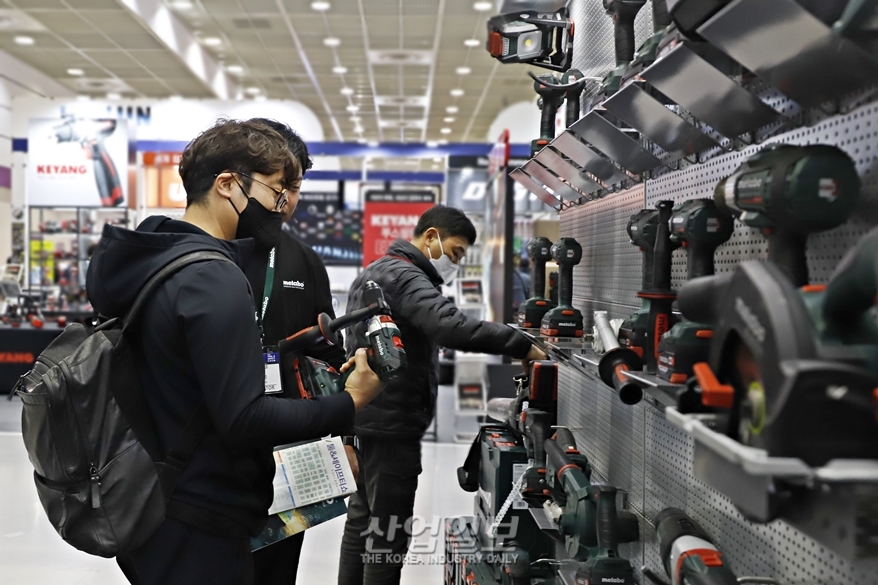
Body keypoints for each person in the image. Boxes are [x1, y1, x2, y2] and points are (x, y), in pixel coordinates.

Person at [86, 119, 384, 585]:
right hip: (201, 513)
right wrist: (350, 403)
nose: (282, 206)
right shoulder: (214, 276)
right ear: (227, 184)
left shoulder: (156, 255)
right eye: (276, 190)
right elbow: (243, 418)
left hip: (151, 493)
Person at [337, 205, 548, 585]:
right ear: (430, 236)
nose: (455, 261)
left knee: (364, 525)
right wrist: (520, 344)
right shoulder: (406, 275)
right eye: (455, 251)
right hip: (392, 424)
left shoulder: (375, 270)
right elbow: (450, 327)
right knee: (388, 536)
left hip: (368, 418)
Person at [242, 119, 350, 585]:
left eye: (296, 185)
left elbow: (329, 351)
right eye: (279, 184)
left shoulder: (303, 259)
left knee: (276, 569)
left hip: (284, 446)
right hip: (204, 454)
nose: (287, 198)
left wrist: (345, 437)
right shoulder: (202, 250)